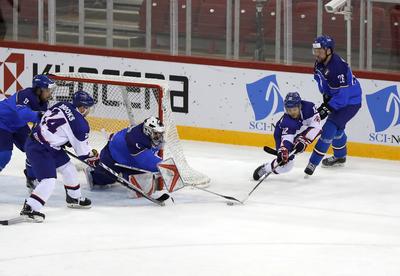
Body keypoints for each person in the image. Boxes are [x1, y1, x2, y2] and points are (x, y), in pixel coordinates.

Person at [20, 91, 98, 223]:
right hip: (39, 148)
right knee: (48, 180)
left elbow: (51, 122)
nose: (89, 111)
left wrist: (63, 140)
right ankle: (30, 208)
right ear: (82, 108)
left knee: (68, 168)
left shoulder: (62, 104)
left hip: (44, 142)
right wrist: (93, 156)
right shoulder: (81, 125)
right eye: (88, 108)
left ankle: (74, 198)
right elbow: (83, 153)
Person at [304, 35, 362, 176]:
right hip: (336, 98)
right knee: (338, 130)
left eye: (319, 51)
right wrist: (326, 98)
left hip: (350, 102)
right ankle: (340, 156)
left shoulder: (338, 68)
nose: (316, 54)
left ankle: (312, 163)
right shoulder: (319, 63)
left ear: (328, 51)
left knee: (329, 128)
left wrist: (327, 108)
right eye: (315, 51)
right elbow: (321, 81)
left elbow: (343, 97)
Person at [85, 116, 165, 196]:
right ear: (148, 130)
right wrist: (164, 167)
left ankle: (125, 174)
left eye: (160, 134)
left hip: (128, 157)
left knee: (139, 180)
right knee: (103, 179)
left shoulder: (146, 134)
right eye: (156, 134)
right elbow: (146, 161)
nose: (159, 137)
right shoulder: (137, 139)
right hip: (112, 155)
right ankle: (96, 165)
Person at [0, 75, 53, 188]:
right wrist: (39, 115)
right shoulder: (25, 95)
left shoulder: (44, 103)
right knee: (4, 155)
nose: (50, 93)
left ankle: (31, 178)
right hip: (2, 122)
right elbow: (22, 113)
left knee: (33, 148)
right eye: (48, 90)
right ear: (39, 89)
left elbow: (41, 123)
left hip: (19, 126)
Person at [253, 92, 322, 180]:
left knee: (287, 161)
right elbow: (287, 137)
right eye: (289, 110)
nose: (292, 113)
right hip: (280, 133)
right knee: (286, 165)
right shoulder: (287, 121)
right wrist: (284, 150)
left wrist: (303, 141)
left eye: (294, 109)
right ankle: (266, 168)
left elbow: (317, 127)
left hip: (300, 131)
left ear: (300, 106)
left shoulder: (309, 108)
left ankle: (268, 168)